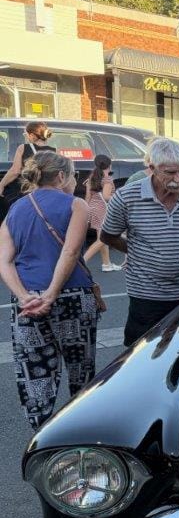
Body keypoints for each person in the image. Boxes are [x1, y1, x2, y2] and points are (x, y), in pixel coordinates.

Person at [0, 150, 106, 429]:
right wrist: (52, 292)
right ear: (61, 176)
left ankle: (42, 434)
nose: (74, 182)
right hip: (71, 296)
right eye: (72, 176)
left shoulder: (16, 208)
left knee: (35, 371)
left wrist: (24, 296)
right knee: (80, 368)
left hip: (27, 301)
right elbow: (70, 252)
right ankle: (80, 429)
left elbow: (4, 260)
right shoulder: (75, 205)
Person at [100, 137, 179, 346]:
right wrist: (135, 251)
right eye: (170, 173)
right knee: (141, 354)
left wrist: (177, 251)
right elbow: (108, 236)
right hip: (145, 294)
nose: (178, 179)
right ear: (151, 168)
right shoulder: (126, 197)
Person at [0, 121, 56, 221]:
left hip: (26, 191)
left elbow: (15, 171)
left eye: (26, 134)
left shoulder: (23, 148)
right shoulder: (54, 150)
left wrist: (1, 184)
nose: (26, 137)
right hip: (44, 191)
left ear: (32, 135)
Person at [82, 154, 121, 271]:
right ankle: (82, 261)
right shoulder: (107, 179)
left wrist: (85, 208)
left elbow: (88, 196)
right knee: (103, 239)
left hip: (93, 208)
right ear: (109, 165)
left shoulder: (92, 177)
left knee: (102, 237)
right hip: (102, 210)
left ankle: (106, 264)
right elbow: (106, 197)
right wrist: (119, 196)